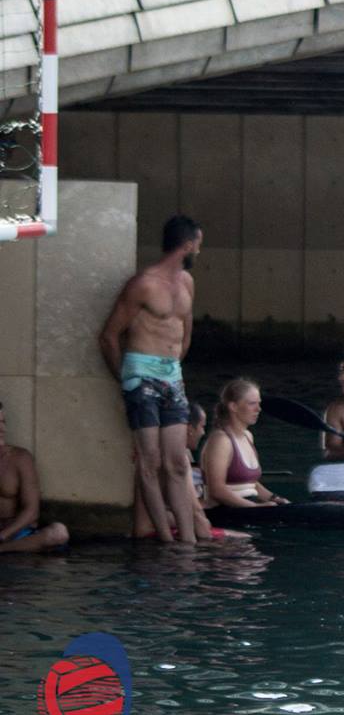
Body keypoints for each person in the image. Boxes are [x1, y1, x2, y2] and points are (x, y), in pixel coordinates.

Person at [98, 213, 204, 545]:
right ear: (187, 244)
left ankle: (186, 543)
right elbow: (109, 336)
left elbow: (185, 332)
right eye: (198, 244)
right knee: (150, 460)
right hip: (140, 375)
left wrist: (175, 369)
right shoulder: (143, 283)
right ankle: (165, 541)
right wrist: (125, 378)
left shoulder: (187, 283)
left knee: (176, 461)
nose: (199, 251)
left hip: (172, 377)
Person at [199, 379, 288, 511]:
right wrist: (256, 507)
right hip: (225, 510)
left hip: (249, 506)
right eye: (252, 404)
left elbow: (251, 484)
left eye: (259, 404)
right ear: (233, 406)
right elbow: (216, 490)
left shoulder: (248, 436)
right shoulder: (221, 440)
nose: (259, 409)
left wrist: (274, 498)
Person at [0, 400, 68, 553]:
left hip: (14, 533)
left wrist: (3, 536)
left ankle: (3, 549)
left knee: (59, 532)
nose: (2, 428)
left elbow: (32, 511)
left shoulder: (20, 458)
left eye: (3, 422)